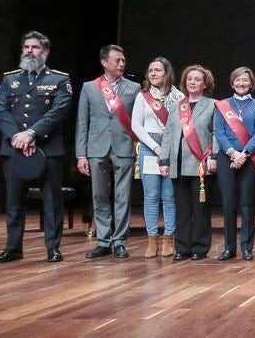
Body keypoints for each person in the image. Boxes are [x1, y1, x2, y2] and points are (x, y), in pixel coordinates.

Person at [0, 31, 72, 264]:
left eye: (35, 47)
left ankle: (53, 248)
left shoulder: (59, 79)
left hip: (47, 148)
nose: (29, 51)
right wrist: (17, 137)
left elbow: (58, 111)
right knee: (14, 201)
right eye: (26, 47)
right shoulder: (10, 79)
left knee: (51, 201)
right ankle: (13, 248)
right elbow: (2, 110)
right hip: (14, 147)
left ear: (45, 52)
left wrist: (31, 134)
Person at [76, 45, 139, 260]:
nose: (122, 64)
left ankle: (120, 241)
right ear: (104, 62)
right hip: (96, 147)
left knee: (123, 196)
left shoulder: (134, 88)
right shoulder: (90, 87)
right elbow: (82, 123)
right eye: (117, 60)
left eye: (123, 60)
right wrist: (81, 154)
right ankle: (103, 241)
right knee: (99, 195)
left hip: (123, 146)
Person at [159, 65, 218, 260]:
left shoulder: (213, 105)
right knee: (182, 208)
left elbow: (216, 134)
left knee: (200, 208)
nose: (192, 82)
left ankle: (200, 247)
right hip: (177, 164)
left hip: (200, 163)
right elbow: (167, 134)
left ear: (205, 84)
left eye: (197, 79)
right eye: (189, 79)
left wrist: (214, 157)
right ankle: (182, 247)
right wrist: (164, 160)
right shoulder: (177, 107)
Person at [214, 67, 255, 260]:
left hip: (249, 159)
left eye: (245, 80)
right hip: (226, 159)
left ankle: (247, 248)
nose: (241, 83)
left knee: (247, 205)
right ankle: (229, 248)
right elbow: (219, 132)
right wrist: (232, 153)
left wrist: (243, 154)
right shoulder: (222, 105)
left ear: (251, 83)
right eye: (238, 80)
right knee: (228, 205)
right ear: (232, 83)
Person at [131, 57, 182, 258]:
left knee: (169, 197)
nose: (152, 73)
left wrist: (167, 149)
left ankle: (169, 240)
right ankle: (152, 241)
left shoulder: (178, 96)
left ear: (166, 73)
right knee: (151, 197)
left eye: (157, 70)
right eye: (150, 70)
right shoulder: (142, 97)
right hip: (148, 148)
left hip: (171, 148)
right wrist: (154, 147)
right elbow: (136, 126)